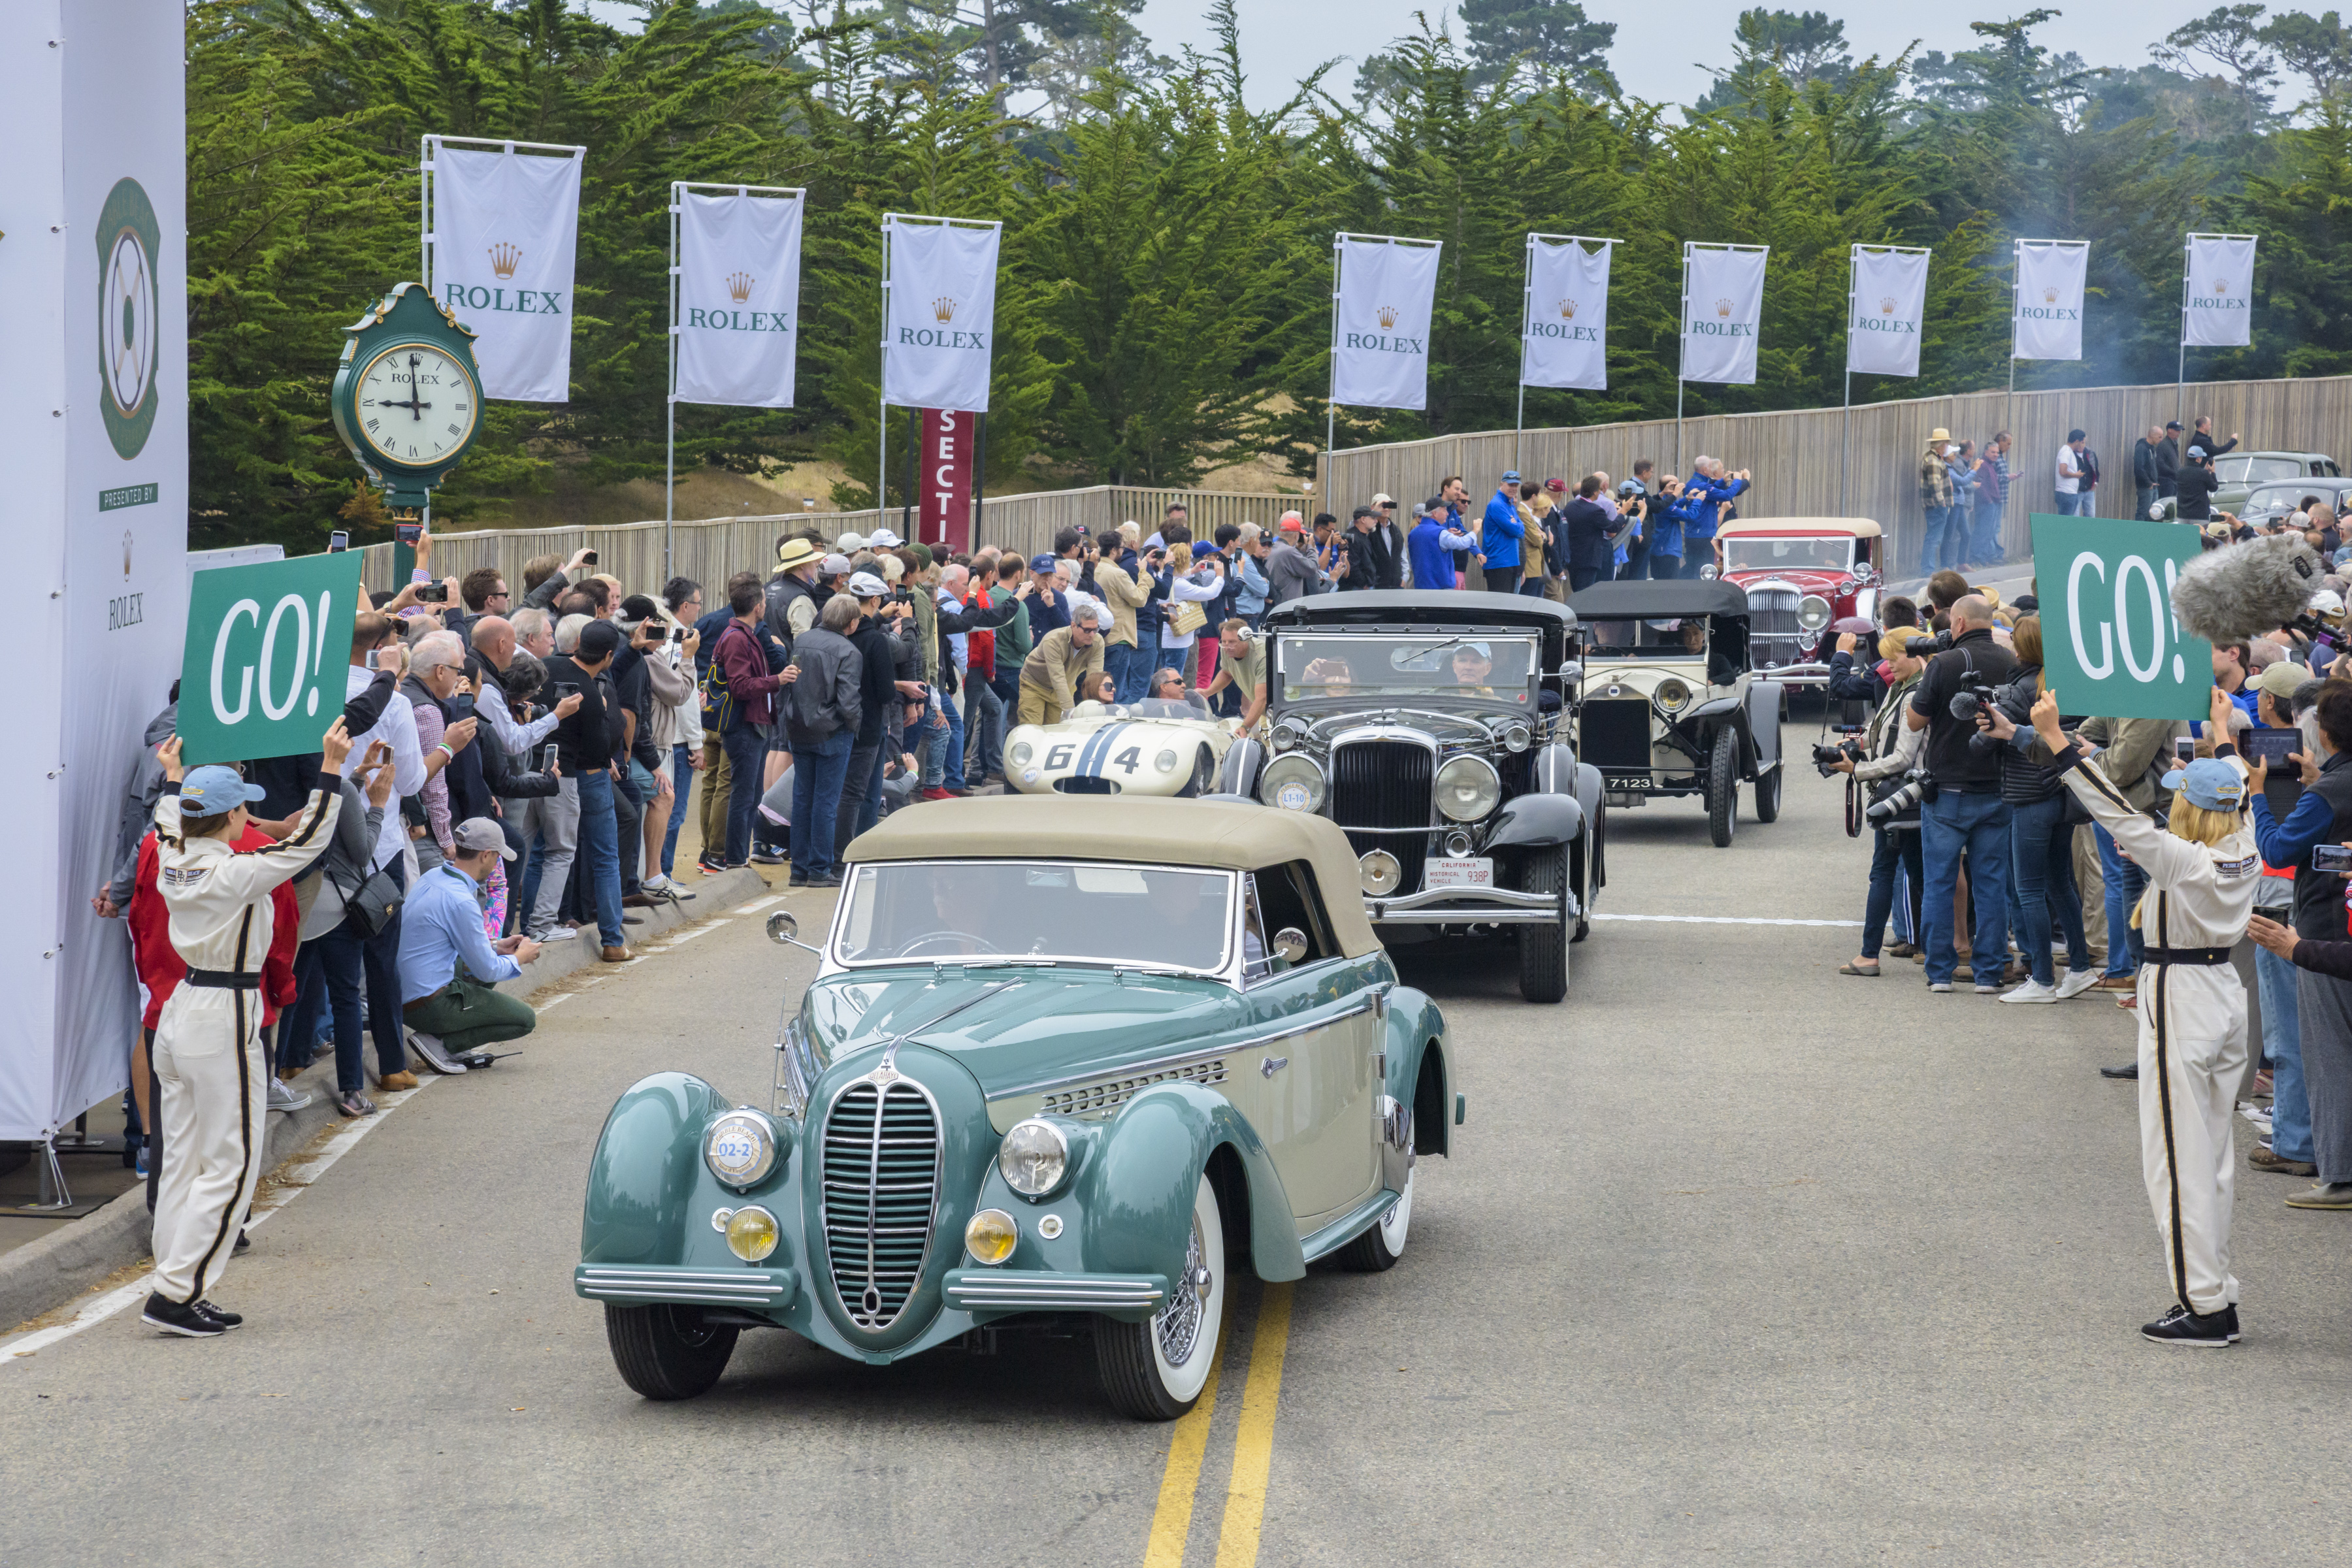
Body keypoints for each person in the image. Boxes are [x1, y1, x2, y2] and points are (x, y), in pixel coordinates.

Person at [2034, 688, 2259, 1345]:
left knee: (2177, 1160)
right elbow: (2237, 786)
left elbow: (2119, 816)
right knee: (2211, 1155)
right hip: (2220, 991)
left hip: (2183, 996)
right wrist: (2219, 730)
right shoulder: (2239, 840)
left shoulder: (2186, 859)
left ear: (2191, 806)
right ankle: (2215, 1291)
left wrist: (2058, 744)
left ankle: (2206, 1305)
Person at [142, 720, 350, 1337]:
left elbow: (165, 816)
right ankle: (177, 1292)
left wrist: (174, 777)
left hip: (183, 1008)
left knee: (181, 1156)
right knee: (231, 1162)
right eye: (241, 812)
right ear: (230, 817)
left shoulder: (173, 854)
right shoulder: (233, 870)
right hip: (221, 1015)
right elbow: (308, 842)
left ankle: (174, 1278)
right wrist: (330, 771)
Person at [2247, 679, 2352, 1209]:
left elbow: (2277, 847)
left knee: (2329, 1056)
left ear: (2324, 734)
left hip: (2322, 934)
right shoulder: (2333, 785)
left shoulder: (2328, 794)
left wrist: (2259, 796)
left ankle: (2339, 1177)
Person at [1968, 617, 2099, 1002]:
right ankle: (2079, 968)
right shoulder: (2071, 686)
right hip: (2063, 793)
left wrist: (1988, 724)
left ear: (2023, 649)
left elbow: (1980, 744)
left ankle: (2042, 978)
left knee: (2028, 888)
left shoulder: (2018, 689)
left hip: (2029, 795)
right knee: (2062, 883)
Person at [1906, 594, 2019, 992]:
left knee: (1939, 881)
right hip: (1997, 785)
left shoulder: (1945, 663)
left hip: (1948, 787)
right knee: (1992, 883)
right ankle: (1989, 974)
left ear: (1956, 624)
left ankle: (1940, 972)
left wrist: (1927, 674)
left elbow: (1916, 720)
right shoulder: (2012, 664)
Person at [2244, 660, 2318, 1177]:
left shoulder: (2306, 783)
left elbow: (2276, 843)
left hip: (2282, 903)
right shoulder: (2329, 773)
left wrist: (2254, 793)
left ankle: (2295, 1142)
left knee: (2288, 1033)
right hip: (2322, 907)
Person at [399, 817, 543, 1066]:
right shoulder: (461, 900)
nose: (498, 862)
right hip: (425, 1005)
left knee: (493, 958)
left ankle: (444, 1034)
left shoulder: (433, 876)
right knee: (525, 1019)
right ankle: (442, 1044)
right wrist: (519, 958)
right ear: (486, 856)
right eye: (498, 856)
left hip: (401, 993)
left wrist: (497, 947)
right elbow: (487, 970)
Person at [1835, 629, 1929, 977]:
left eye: (1893, 657)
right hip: (1904, 795)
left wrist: (1858, 770)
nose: (1888, 665)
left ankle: (1869, 954)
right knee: (1920, 875)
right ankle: (1930, 948)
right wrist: (1852, 745)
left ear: (1914, 655)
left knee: (1884, 873)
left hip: (1901, 796)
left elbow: (1904, 757)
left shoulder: (1913, 695)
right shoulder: (1898, 689)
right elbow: (1878, 732)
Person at [538, 619, 629, 962]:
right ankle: (612, 940)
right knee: (605, 857)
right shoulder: (592, 693)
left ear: (577, 643)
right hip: (585, 776)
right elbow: (602, 747)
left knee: (542, 853)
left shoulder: (547, 667)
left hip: (541, 770)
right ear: (608, 655)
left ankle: (537, 927)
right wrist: (606, 718)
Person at [785, 593, 864, 889]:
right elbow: (848, 702)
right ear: (852, 623)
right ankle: (820, 867)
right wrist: (854, 726)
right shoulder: (849, 651)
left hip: (799, 726)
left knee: (802, 798)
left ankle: (799, 868)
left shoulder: (802, 641)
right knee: (826, 802)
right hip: (833, 731)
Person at [1019, 603, 1106, 725]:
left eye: (1095, 630)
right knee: (1032, 729)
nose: (1092, 634)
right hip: (1035, 686)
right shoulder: (1053, 641)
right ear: (1073, 625)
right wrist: (1071, 713)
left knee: (1056, 731)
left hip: (1066, 687)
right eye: (1087, 630)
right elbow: (1058, 678)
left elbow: (1094, 679)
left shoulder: (1098, 642)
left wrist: (1095, 710)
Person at [1201, 619, 1269, 730]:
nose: (1227, 646)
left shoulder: (1262, 657)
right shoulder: (1226, 648)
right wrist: (1208, 692)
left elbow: (1262, 698)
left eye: (1232, 642)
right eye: (1224, 641)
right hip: (1264, 710)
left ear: (1246, 639)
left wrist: (1244, 727)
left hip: (1278, 708)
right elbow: (1227, 673)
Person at [1560, 475, 1624, 593]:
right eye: (1599, 490)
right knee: (1585, 593)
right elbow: (1613, 528)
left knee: (1577, 591)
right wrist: (1623, 513)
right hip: (1589, 559)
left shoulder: (1571, 505)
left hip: (1573, 557)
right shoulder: (1595, 510)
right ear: (1595, 492)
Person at [1480, 470, 1526, 594]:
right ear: (1502, 484)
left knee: (1508, 605)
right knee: (1499, 606)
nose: (1514, 488)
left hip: (1509, 561)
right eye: (1511, 485)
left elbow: (1521, 528)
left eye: (1516, 485)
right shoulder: (1497, 504)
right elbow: (1515, 530)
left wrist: (1517, 525)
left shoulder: (1509, 504)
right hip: (1499, 563)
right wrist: (1517, 525)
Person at [2175, 447, 2221, 524]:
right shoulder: (2203, 474)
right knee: (2199, 536)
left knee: (2184, 536)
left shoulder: (2180, 472)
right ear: (2198, 459)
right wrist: (2212, 473)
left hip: (2182, 514)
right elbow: (2214, 488)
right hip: (2200, 515)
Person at [2132, 425, 2164, 521]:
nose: (2161, 439)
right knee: (2143, 512)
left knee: (2154, 514)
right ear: (2152, 435)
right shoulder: (2142, 448)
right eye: (2160, 437)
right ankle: (2138, 534)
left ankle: (2149, 534)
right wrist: (2148, 483)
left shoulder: (2152, 448)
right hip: (2146, 487)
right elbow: (2139, 468)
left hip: (2153, 486)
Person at [2055, 430, 2089, 517]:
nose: (2083, 445)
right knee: (2066, 522)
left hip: (2070, 493)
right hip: (2066, 493)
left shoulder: (2070, 452)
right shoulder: (2066, 452)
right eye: (2082, 442)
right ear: (2077, 441)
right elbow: (2062, 471)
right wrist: (2076, 475)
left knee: (2069, 522)